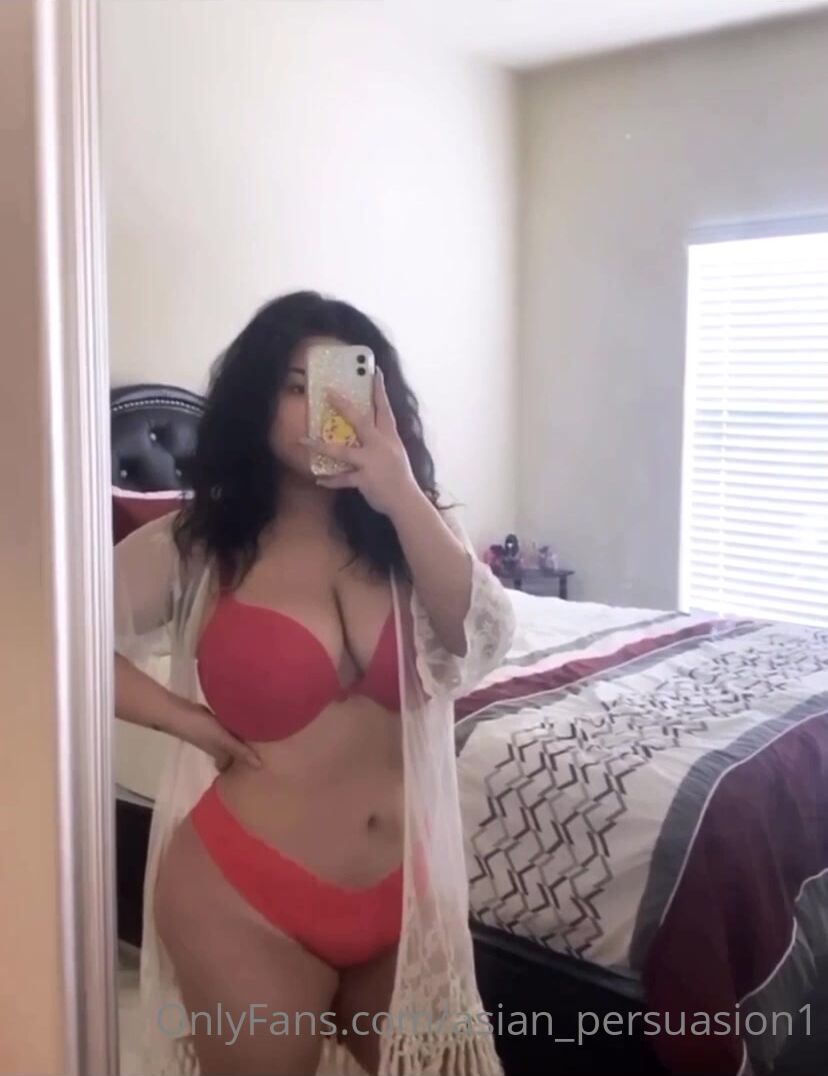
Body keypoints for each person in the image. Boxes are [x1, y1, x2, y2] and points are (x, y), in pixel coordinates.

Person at [113, 291, 515, 1076]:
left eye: (340, 384)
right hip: (241, 898)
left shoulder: (414, 528)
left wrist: (399, 492)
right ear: (256, 401)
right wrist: (187, 720)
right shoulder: (200, 542)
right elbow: (47, 641)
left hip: (405, 896)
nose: (319, 408)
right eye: (294, 386)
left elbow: (482, 639)